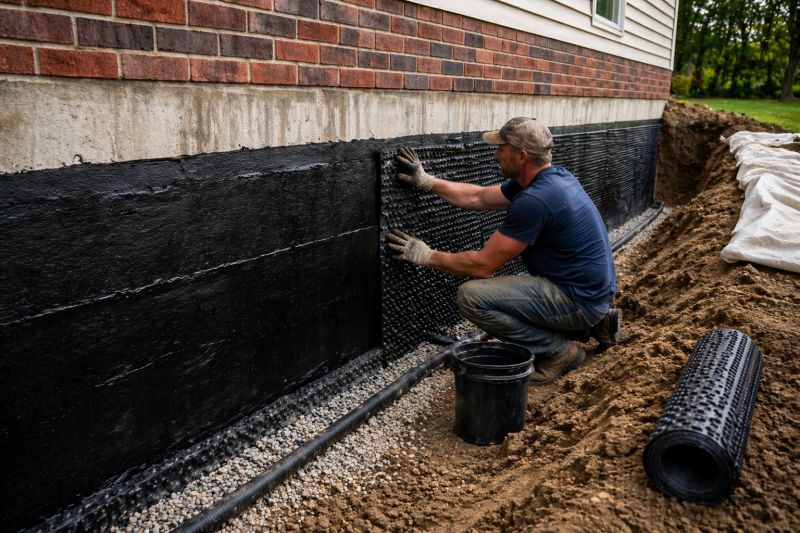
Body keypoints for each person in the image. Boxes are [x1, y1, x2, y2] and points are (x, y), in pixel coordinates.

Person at [387, 116, 620, 385]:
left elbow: (482, 265)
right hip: (592, 291)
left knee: (472, 297)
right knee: (521, 292)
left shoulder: (536, 200)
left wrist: (426, 256)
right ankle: (596, 323)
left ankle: (559, 353)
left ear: (521, 156)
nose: (496, 153)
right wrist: (427, 181)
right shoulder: (552, 179)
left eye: (502, 148)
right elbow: (478, 197)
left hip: (581, 299)